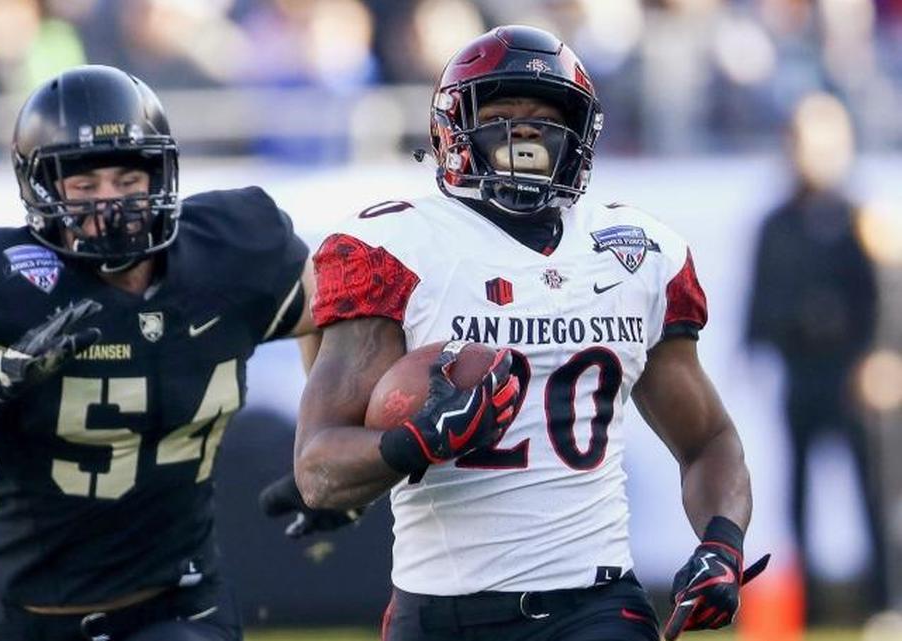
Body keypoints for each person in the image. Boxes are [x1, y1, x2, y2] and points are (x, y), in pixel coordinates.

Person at [293, 25, 767, 641]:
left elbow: (709, 440)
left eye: (543, 116)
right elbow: (317, 468)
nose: (522, 133)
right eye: (500, 115)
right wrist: (415, 442)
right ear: (452, 129)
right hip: (444, 607)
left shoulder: (638, 253)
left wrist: (721, 546)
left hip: (594, 602)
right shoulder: (396, 248)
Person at [0, 64, 320, 641]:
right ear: (43, 189)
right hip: (29, 616)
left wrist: (320, 448)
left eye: (128, 180)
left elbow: (332, 313)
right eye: (84, 186)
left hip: (177, 605)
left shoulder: (231, 250)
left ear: (160, 174)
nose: (110, 205)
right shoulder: (4, 281)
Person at [745, 93, 886, 617]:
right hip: (800, 373)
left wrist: (879, 357)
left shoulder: (860, 217)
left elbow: (883, 294)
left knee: (873, 491)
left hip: (851, 374)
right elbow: (761, 296)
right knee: (796, 496)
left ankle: (883, 603)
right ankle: (807, 609)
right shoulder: (777, 221)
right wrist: (757, 348)